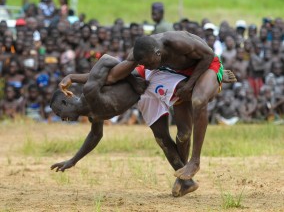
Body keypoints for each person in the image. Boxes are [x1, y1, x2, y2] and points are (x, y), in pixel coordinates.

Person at [51, 54, 236, 197]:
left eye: (60, 113)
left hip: (144, 79)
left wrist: (132, 79)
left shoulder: (90, 91)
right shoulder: (93, 115)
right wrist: (73, 160)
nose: (62, 118)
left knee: (187, 98)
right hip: (143, 98)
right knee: (162, 139)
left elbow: (109, 60)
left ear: (67, 99)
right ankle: (187, 182)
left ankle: (214, 75)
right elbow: (95, 136)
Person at [103, 31, 236, 181]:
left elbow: (209, 55)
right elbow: (113, 76)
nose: (147, 67)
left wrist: (190, 85)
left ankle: (195, 161)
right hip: (177, 74)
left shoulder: (178, 42)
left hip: (206, 65)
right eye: (143, 65)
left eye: (149, 63)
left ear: (158, 53)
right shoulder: (140, 54)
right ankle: (184, 180)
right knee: (183, 134)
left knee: (199, 101)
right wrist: (73, 78)